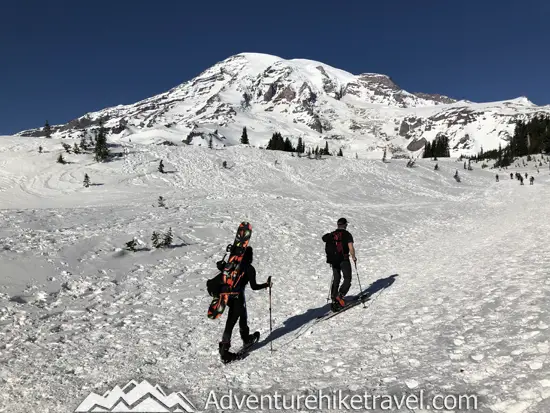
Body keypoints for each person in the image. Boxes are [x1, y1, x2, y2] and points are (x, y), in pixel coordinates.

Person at [218, 247, 271, 363]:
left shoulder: (232, 265)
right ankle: (224, 352)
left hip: (229, 298)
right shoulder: (249, 268)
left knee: (242, 316)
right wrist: (266, 285)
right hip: (238, 297)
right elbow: (254, 286)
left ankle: (246, 339)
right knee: (231, 321)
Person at [322, 218, 357, 311]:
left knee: (336, 278)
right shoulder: (347, 234)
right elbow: (351, 247)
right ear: (345, 225)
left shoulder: (332, 234)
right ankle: (340, 296)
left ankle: (334, 297)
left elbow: (324, 239)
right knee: (347, 278)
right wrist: (353, 257)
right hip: (344, 259)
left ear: (338, 225)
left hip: (333, 260)